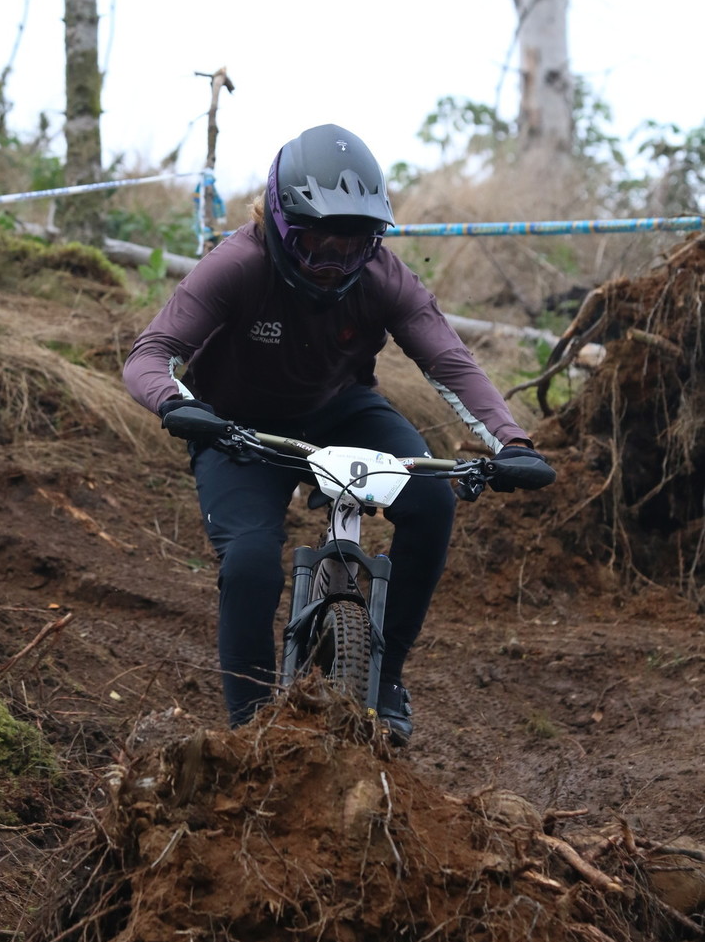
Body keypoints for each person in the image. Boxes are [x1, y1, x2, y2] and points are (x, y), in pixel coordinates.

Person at [122, 123, 545, 743]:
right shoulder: (238, 265)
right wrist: (177, 407)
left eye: (353, 248)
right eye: (317, 244)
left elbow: (450, 362)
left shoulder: (383, 278)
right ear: (280, 221)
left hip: (340, 409)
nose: (332, 265)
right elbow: (149, 356)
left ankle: (386, 677)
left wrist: (512, 442)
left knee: (432, 500)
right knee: (250, 564)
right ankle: (249, 732)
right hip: (234, 425)